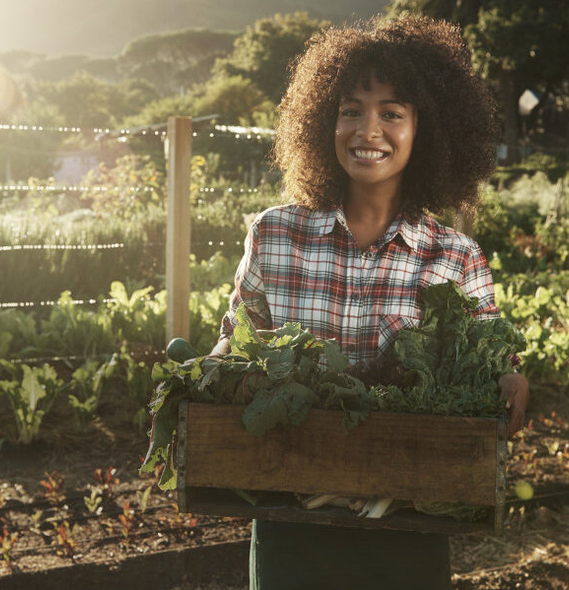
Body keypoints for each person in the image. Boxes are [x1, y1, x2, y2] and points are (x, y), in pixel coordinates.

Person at [209, 14, 529, 590]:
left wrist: (511, 379)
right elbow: (236, 339)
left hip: (406, 517)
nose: (367, 130)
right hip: (292, 510)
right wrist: (215, 368)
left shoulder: (454, 257)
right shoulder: (275, 234)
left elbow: (494, 361)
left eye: (391, 113)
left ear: (425, 129)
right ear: (321, 122)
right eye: (350, 110)